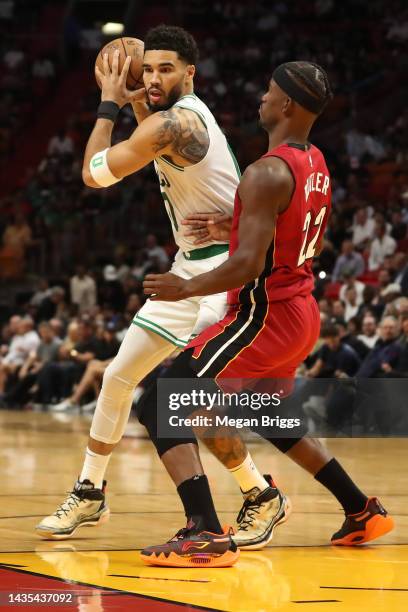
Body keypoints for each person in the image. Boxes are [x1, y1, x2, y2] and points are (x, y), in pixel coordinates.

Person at [139, 61, 394, 567]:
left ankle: (205, 531)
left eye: (268, 92)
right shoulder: (314, 160)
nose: (260, 98)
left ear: (287, 106)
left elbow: (246, 265)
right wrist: (233, 225)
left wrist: (185, 285)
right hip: (300, 310)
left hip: (264, 316)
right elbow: (287, 225)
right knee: (268, 415)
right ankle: (361, 509)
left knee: (160, 404)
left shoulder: (265, 171)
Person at [36, 25, 280, 543]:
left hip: (223, 276)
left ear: (189, 73)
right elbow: (158, 145)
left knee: (188, 401)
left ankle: (259, 493)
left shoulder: (178, 123)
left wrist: (108, 103)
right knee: (118, 376)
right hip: (189, 266)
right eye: (147, 68)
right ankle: (89, 490)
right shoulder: (173, 120)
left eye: (164, 69)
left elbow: (94, 174)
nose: (151, 77)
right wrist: (137, 105)